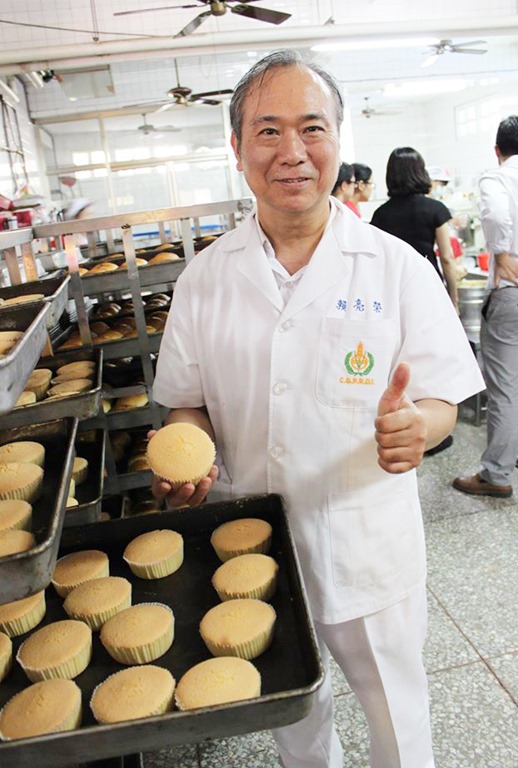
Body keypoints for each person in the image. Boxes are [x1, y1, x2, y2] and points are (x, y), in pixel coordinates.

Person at [152, 50, 484, 768]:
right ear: (237, 147)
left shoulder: (396, 267)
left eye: (311, 128)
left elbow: (440, 402)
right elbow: (186, 406)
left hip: (365, 538)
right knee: (296, 724)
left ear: (337, 139)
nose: (292, 151)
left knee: (397, 715)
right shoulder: (204, 279)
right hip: (254, 549)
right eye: (268, 131)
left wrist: (417, 430)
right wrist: (185, 456)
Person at [453, 115, 518, 498]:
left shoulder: (497, 177)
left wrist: (502, 252)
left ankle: (496, 474)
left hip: (511, 291)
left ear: (497, 150)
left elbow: (494, 214)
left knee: (505, 388)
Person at [370, 147, 459, 312]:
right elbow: (447, 258)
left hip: (393, 290)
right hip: (428, 285)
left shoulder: (380, 214)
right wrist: (453, 299)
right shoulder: (436, 209)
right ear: (420, 172)